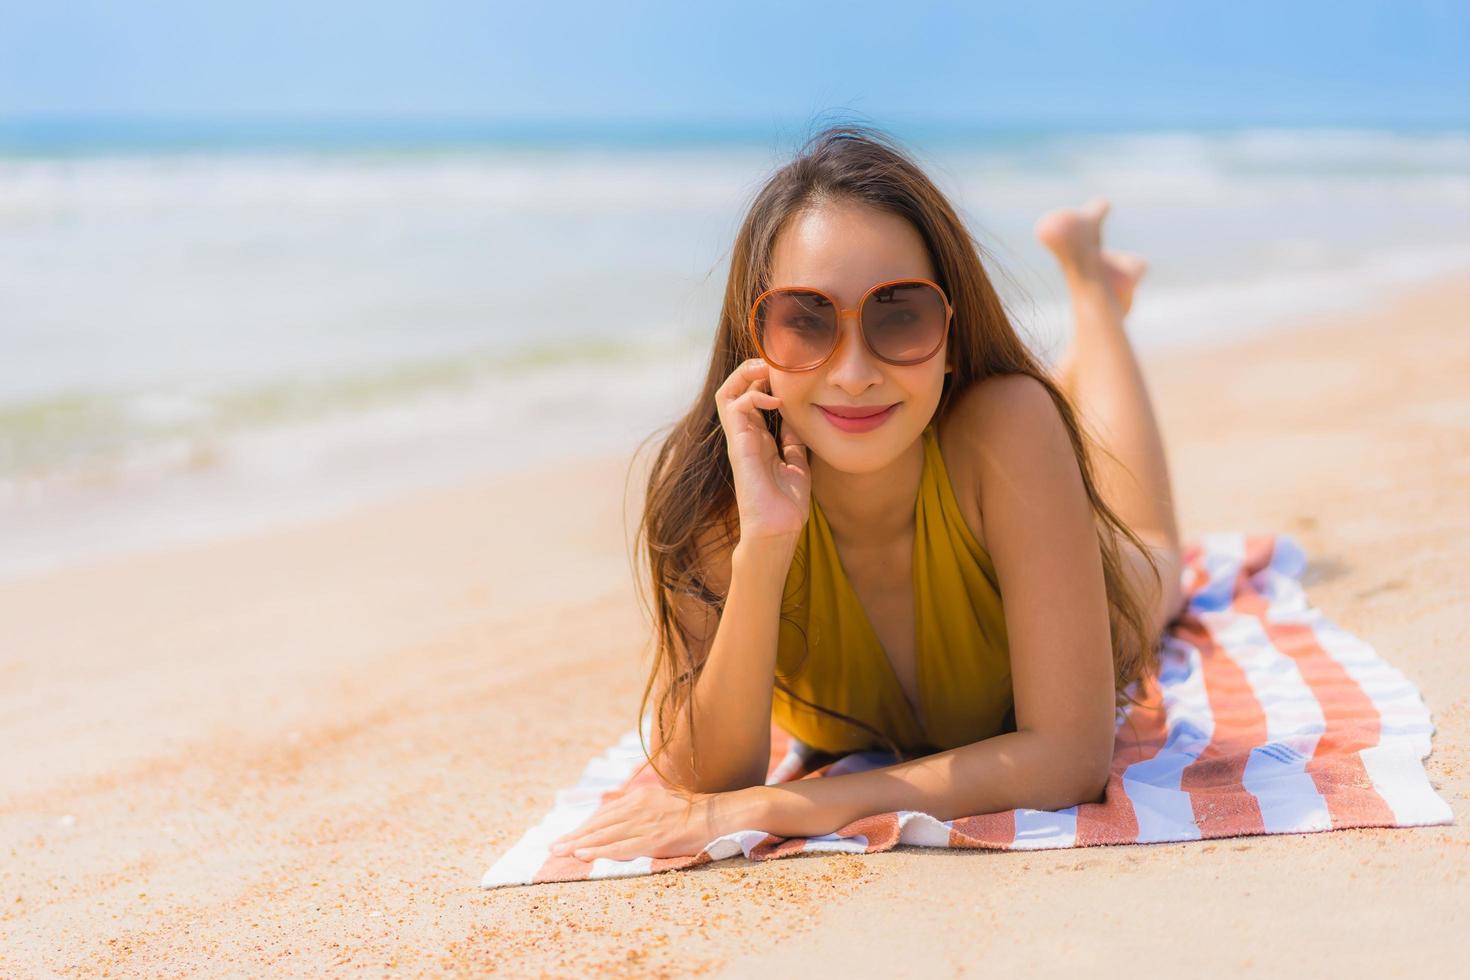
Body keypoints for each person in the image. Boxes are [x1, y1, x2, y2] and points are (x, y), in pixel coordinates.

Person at [549, 124, 1186, 863]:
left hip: (1057, 549)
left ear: (952, 332)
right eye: (807, 319)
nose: (853, 372)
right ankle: (1093, 291)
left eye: (900, 314)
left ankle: (1090, 287)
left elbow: (1071, 759)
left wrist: (786, 807)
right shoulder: (721, 491)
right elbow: (704, 784)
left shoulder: (1006, 425)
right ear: (756, 337)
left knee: (1159, 557)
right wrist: (765, 546)